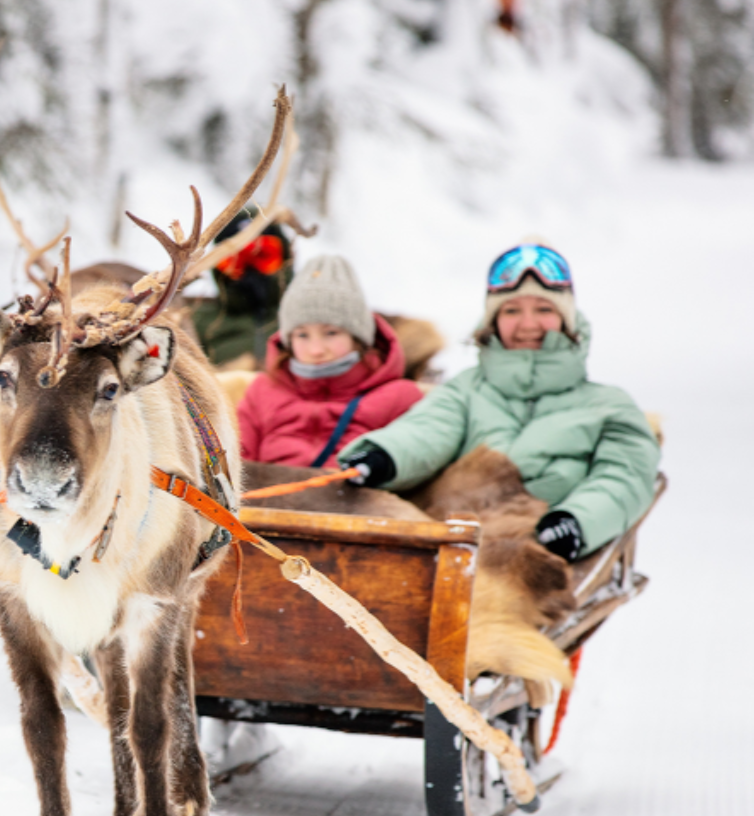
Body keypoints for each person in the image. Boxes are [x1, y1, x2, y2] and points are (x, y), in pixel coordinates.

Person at [340, 242, 660, 561]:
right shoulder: (466, 390)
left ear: (567, 319)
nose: (528, 324)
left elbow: (624, 478)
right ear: (493, 321)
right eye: (512, 310)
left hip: (536, 557)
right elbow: (427, 431)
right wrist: (385, 456)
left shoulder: (610, 407)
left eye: (544, 310)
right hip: (452, 545)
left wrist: (576, 521)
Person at [237, 255, 425, 467]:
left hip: (355, 488)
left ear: (357, 338)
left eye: (331, 333)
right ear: (288, 340)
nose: (316, 350)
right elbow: (236, 461)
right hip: (269, 489)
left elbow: (415, 458)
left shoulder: (399, 397)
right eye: (302, 335)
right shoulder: (261, 392)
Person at [191, 204, 295, 369]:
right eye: (235, 261)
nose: (250, 270)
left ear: (285, 259)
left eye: (263, 256)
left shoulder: (309, 321)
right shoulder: (195, 324)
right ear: (218, 266)